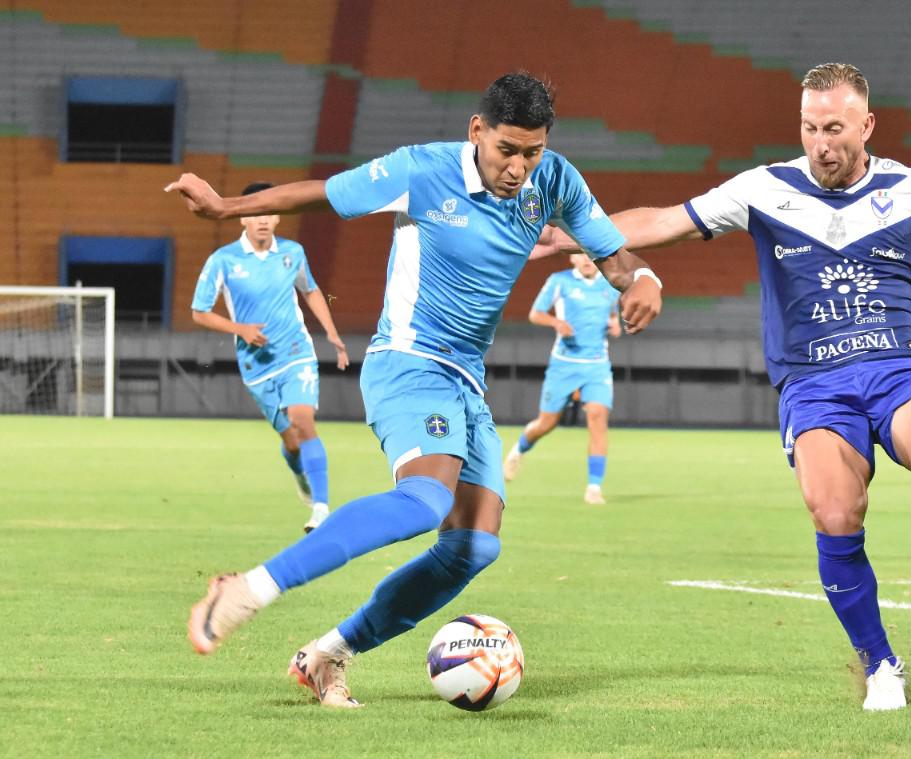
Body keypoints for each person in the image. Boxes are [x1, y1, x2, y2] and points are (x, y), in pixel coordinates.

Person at [537, 62, 911, 711]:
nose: (821, 143)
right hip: (814, 381)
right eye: (810, 128)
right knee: (835, 511)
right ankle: (880, 662)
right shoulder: (764, 188)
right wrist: (568, 234)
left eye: (835, 129)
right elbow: (661, 222)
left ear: (866, 125)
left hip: (901, 365)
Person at [166, 72, 662, 708]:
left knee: (473, 546)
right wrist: (225, 208)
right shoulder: (422, 170)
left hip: (466, 379)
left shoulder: (556, 180)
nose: (518, 168)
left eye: (532, 152)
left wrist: (643, 279)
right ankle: (248, 589)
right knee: (425, 500)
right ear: (477, 130)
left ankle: (327, 655)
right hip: (408, 361)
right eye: (507, 150)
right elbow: (324, 193)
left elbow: (614, 255)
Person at [191, 182, 349, 533]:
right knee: (291, 441)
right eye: (255, 213)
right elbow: (199, 312)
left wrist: (331, 332)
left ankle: (321, 509)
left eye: (269, 213)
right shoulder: (223, 260)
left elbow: (310, 290)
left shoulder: (292, 252)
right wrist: (240, 329)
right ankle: (300, 474)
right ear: (242, 217)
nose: (262, 219)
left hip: (296, 352)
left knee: (303, 421)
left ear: (278, 217)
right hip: (257, 365)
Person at [503, 252, 622, 504]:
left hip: (597, 365)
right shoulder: (560, 281)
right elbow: (536, 314)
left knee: (598, 418)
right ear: (572, 259)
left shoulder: (610, 285)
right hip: (564, 365)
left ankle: (594, 488)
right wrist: (557, 323)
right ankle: (518, 450)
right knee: (546, 423)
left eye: (590, 254)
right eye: (580, 254)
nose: (587, 259)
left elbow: (613, 316)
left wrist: (615, 325)